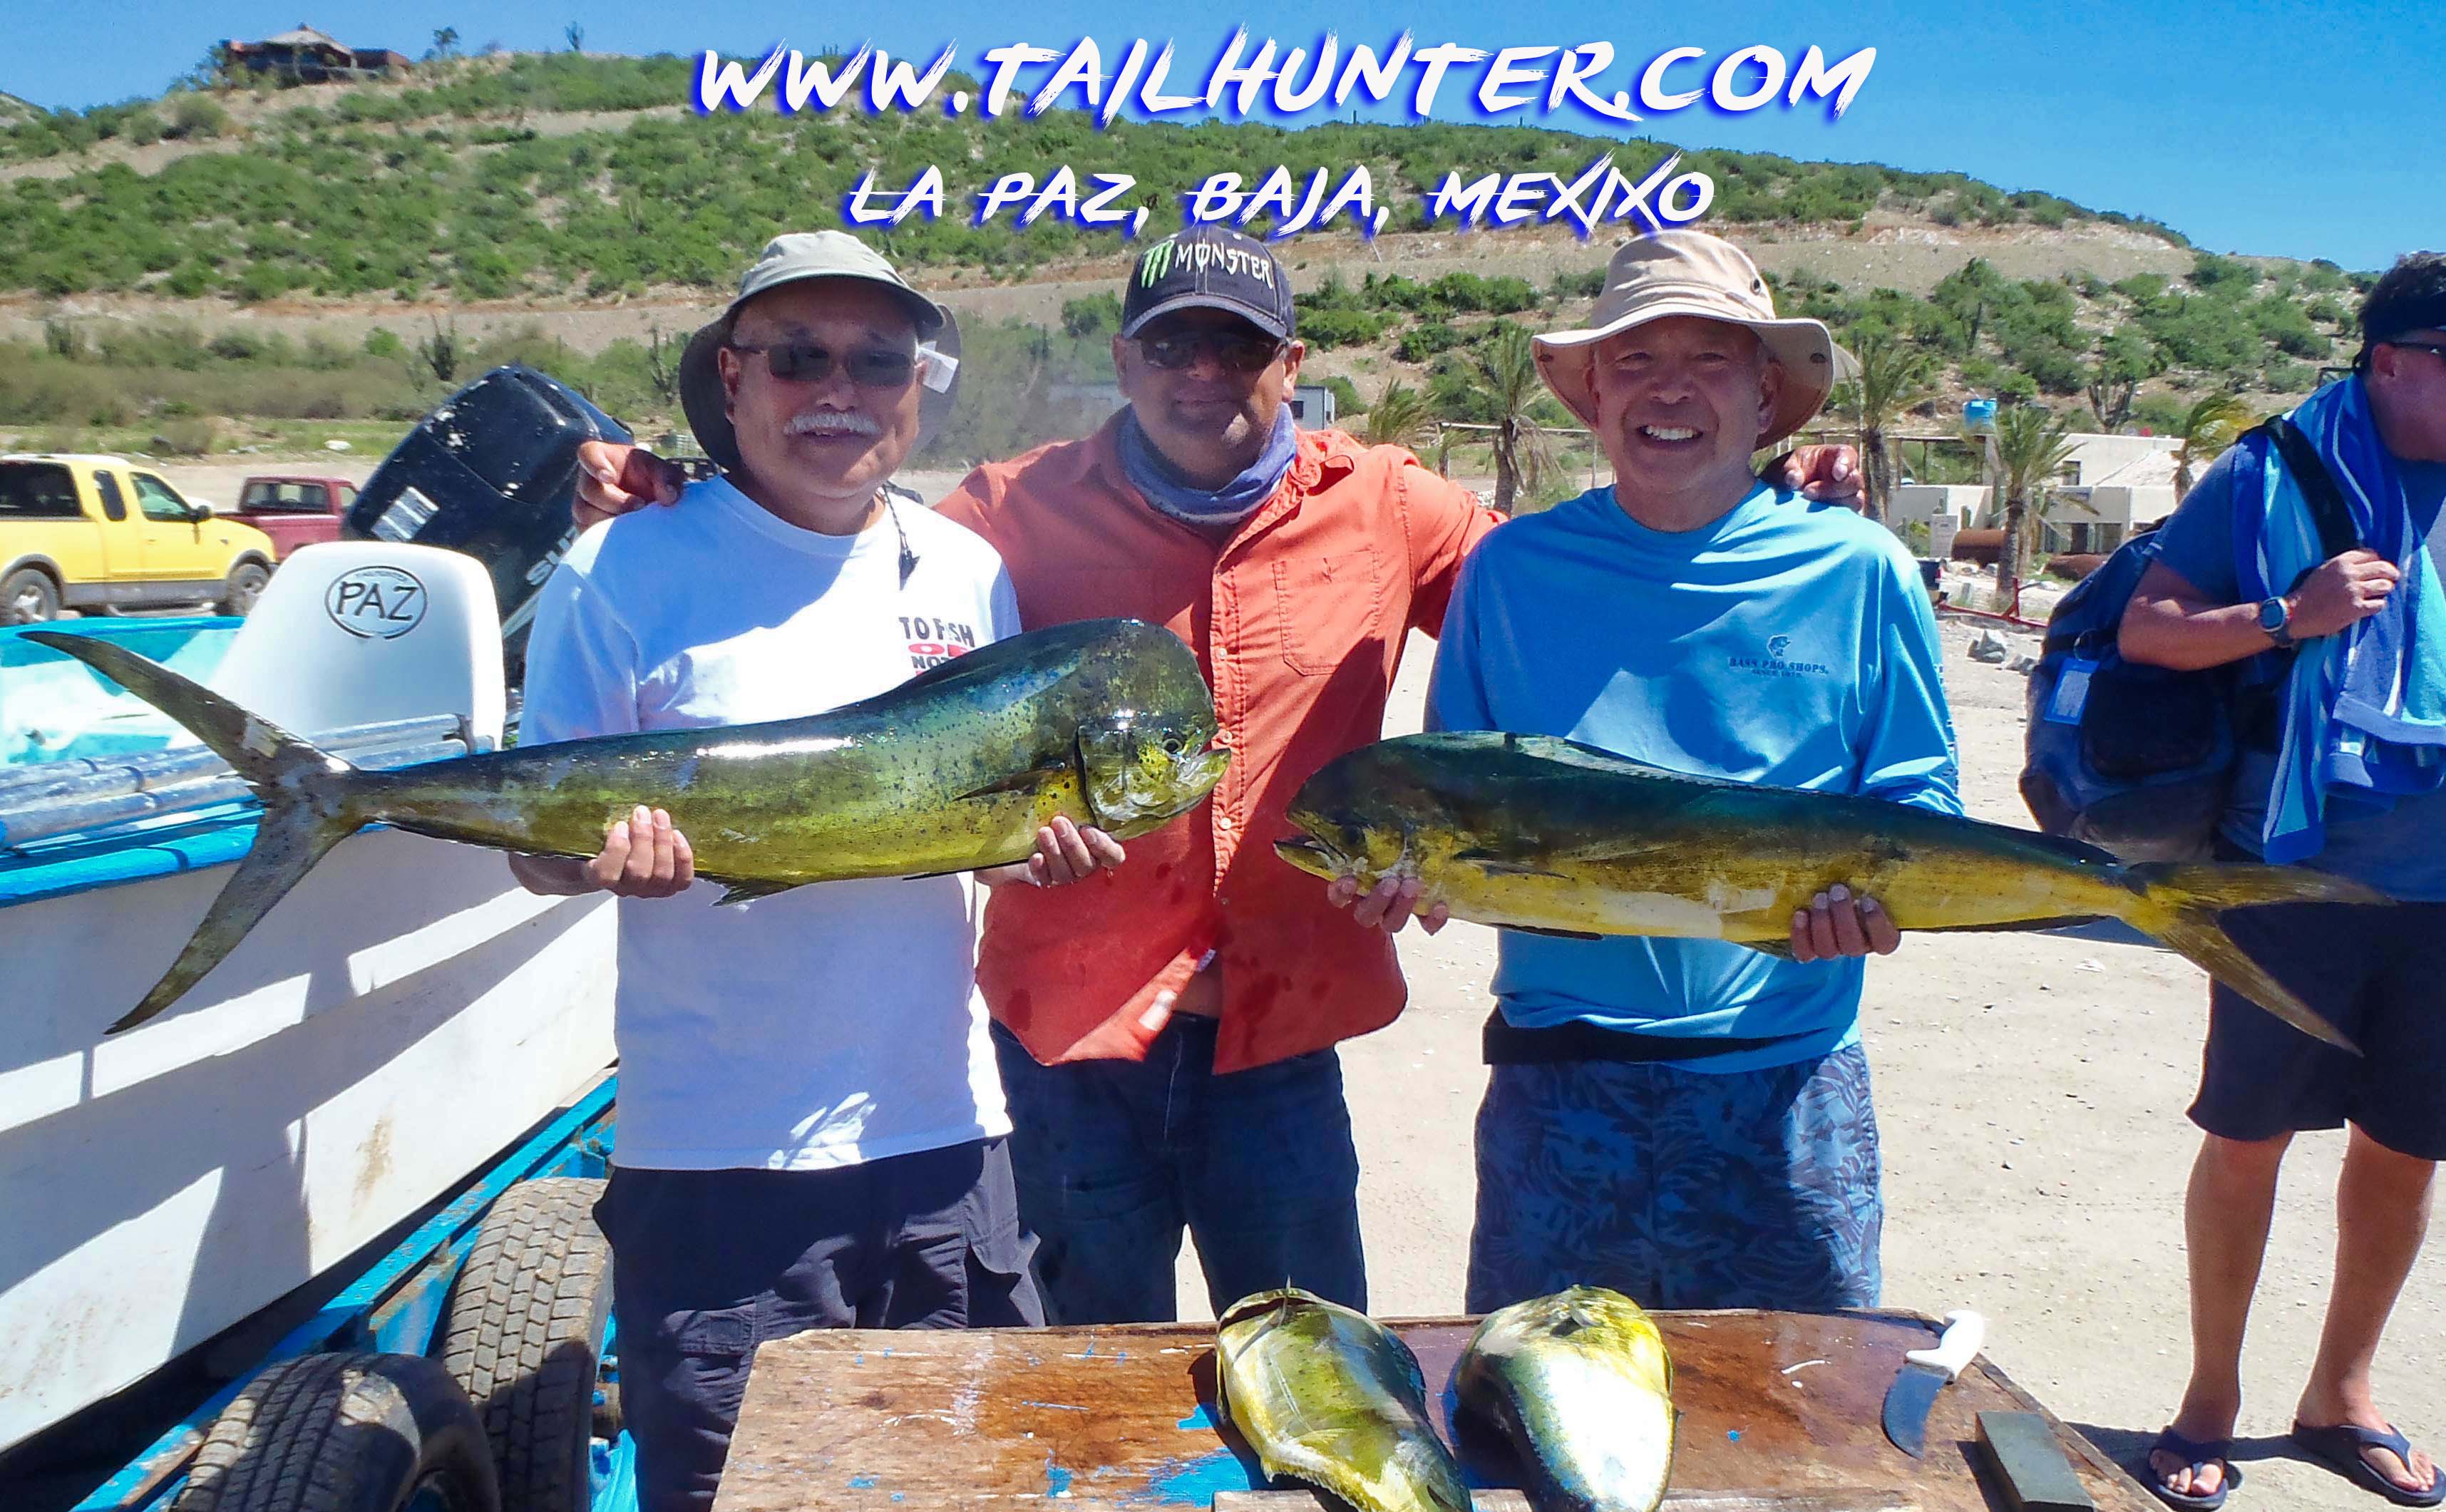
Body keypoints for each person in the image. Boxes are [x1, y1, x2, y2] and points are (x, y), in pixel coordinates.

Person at [570, 228, 1866, 1327]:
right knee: (1080, 1400)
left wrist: (1748, 508)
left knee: (1315, 1379)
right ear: (1125, 360)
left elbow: (1574, 599)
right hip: (1068, 1043)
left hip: (1281, 1041)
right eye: (1172, 345)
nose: (1203, 374)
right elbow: (828, 546)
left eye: (1238, 348)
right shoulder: (1004, 515)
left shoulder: (1392, 504)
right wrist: (685, 494)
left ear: (1291, 365)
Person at [511, 230, 1116, 1512]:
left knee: (947, 1506)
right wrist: (597, 859)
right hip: (721, 1148)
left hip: (943, 1135)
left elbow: (968, 822)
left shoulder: (964, 570)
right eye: (799, 357)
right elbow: (532, 837)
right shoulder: (621, 565)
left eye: (877, 359)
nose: (838, 389)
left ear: (918, 387)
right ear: (733, 380)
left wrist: (1030, 852)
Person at [1340, 228, 1960, 1315]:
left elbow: (1919, 806)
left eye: (1709, 359)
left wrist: (1872, 908)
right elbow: (1456, 808)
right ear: (1593, 395)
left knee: (1804, 1402)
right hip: (1558, 1087)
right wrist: (1407, 887)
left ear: (1764, 395)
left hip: (1785, 1078)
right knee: (1537, 1402)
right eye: (1634, 360)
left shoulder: (1863, 570)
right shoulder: (1509, 573)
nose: (1669, 390)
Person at [2119, 252, 2446, 1512]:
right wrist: (2286, 617)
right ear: (2393, 361)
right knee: (2247, 1139)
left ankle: (2341, 1395)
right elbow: (2147, 629)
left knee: (2407, 1151)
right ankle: (2210, 1398)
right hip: (2291, 873)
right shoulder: (2272, 471)